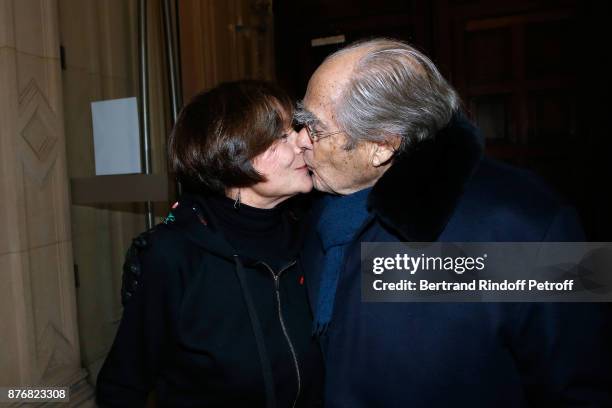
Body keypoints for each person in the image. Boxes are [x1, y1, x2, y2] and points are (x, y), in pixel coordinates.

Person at [292, 38, 612, 407]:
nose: (299, 140)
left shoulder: (529, 226)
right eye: (302, 122)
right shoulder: (314, 214)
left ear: (381, 145)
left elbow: (583, 386)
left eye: (314, 129)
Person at [96, 80, 324, 407]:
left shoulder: (312, 234)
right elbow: (122, 385)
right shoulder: (174, 254)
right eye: (282, 135)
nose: (303, 141)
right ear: (232, 153)